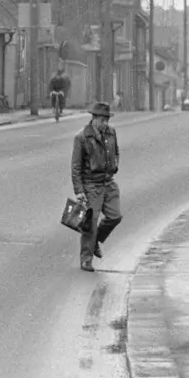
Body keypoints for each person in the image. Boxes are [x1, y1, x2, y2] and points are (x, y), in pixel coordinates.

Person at [70, 101, 122, 272]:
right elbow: (76, 167)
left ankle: (95, 242)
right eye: (102, 120)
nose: (105, 123)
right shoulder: (82, 137)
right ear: (94, 119)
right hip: (91, 184)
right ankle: (86, 259)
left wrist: (114, 165)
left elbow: (116, 152)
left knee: (115, 216)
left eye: (107, 119)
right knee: (90, 223)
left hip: (108, 181)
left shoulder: (111, 133)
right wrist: (79, 191)